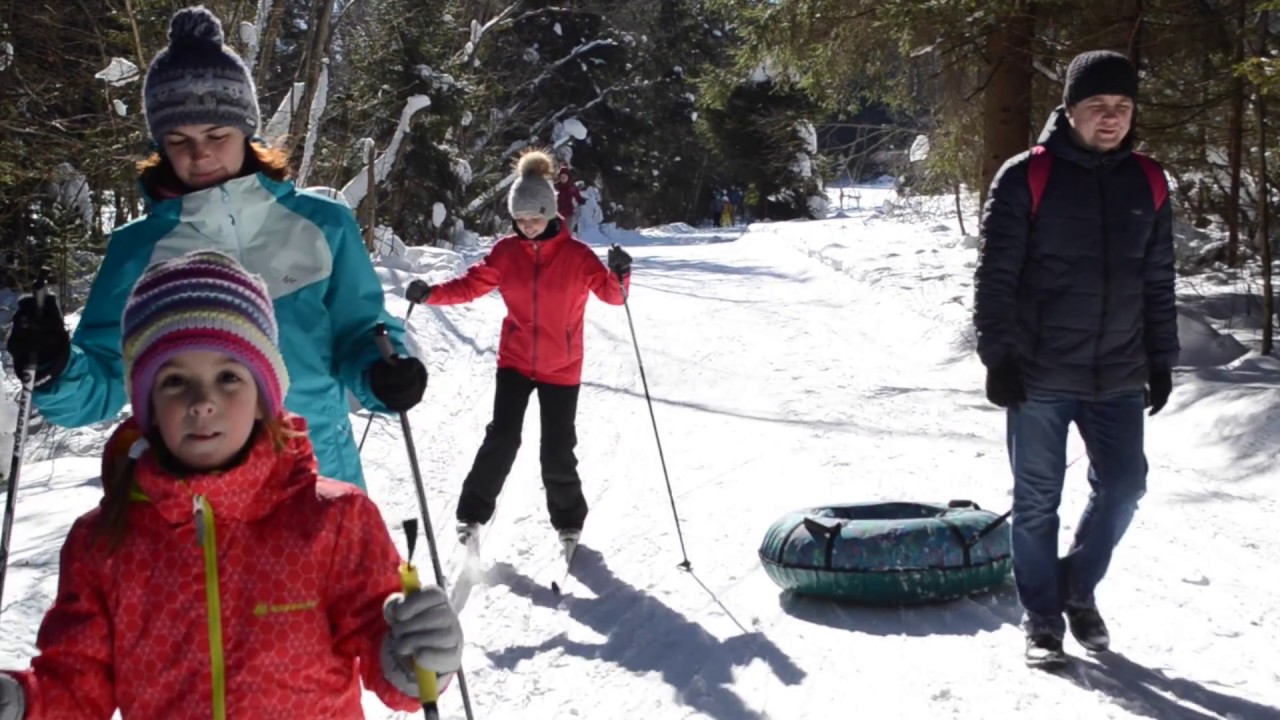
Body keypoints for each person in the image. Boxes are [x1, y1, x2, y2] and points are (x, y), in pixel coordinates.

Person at [0, 250, 462, 720]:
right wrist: (24, 704)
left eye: (228, 377)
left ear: (265, 397)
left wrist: (417, 658)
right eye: (176, 381)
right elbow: (78, 685)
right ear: (147, 404)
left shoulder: (335, 520)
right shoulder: (102, 542)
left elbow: (386, 655)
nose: (203, 402)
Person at [2, 5, 424, 489]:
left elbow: (361, 332)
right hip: (190, 502)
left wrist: (383, 373)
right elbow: (99, 384)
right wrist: (56, 366)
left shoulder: (321, 224)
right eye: (178, 139)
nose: (199, 153)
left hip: (314, 481)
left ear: (247, 130)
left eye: (217, 135)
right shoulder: (138, 249)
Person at [973, 50, 1178, 668]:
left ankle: (1075, 588)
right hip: (1039, 371)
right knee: (1037, 499)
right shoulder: (1026, 175)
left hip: (1117, 371)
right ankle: (1041, 617)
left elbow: (1159, 280)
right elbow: (995, 275)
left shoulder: (1149, 180)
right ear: (1069, 110)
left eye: (1122, 107)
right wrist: (998, 356)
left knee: (1125, 486)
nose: (1111, 118)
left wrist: (1161, 358)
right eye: (1097, 107)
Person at [405, 149, 631, 551]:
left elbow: (613, 297)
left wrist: (621, 274)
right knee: (502, 439)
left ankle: (568, 522)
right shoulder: (506, 253)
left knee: (557, 450)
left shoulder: (578, 257)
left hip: (562, 368)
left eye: (534, 218)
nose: (527, 227)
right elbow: (471, 285)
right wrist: (430, 295)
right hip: (514, 362)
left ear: (551, 213)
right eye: (520, 220)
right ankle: (471, 514)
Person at [554, 167, 585, 232]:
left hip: (569, 213)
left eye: (565, 177)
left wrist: (581, 200)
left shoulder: (571, 187)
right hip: (558, 213)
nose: (563, 179)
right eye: (562, 177)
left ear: (568, 177)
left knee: (568, 231)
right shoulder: (556, 186)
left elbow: (577, 195)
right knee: (557, 231)